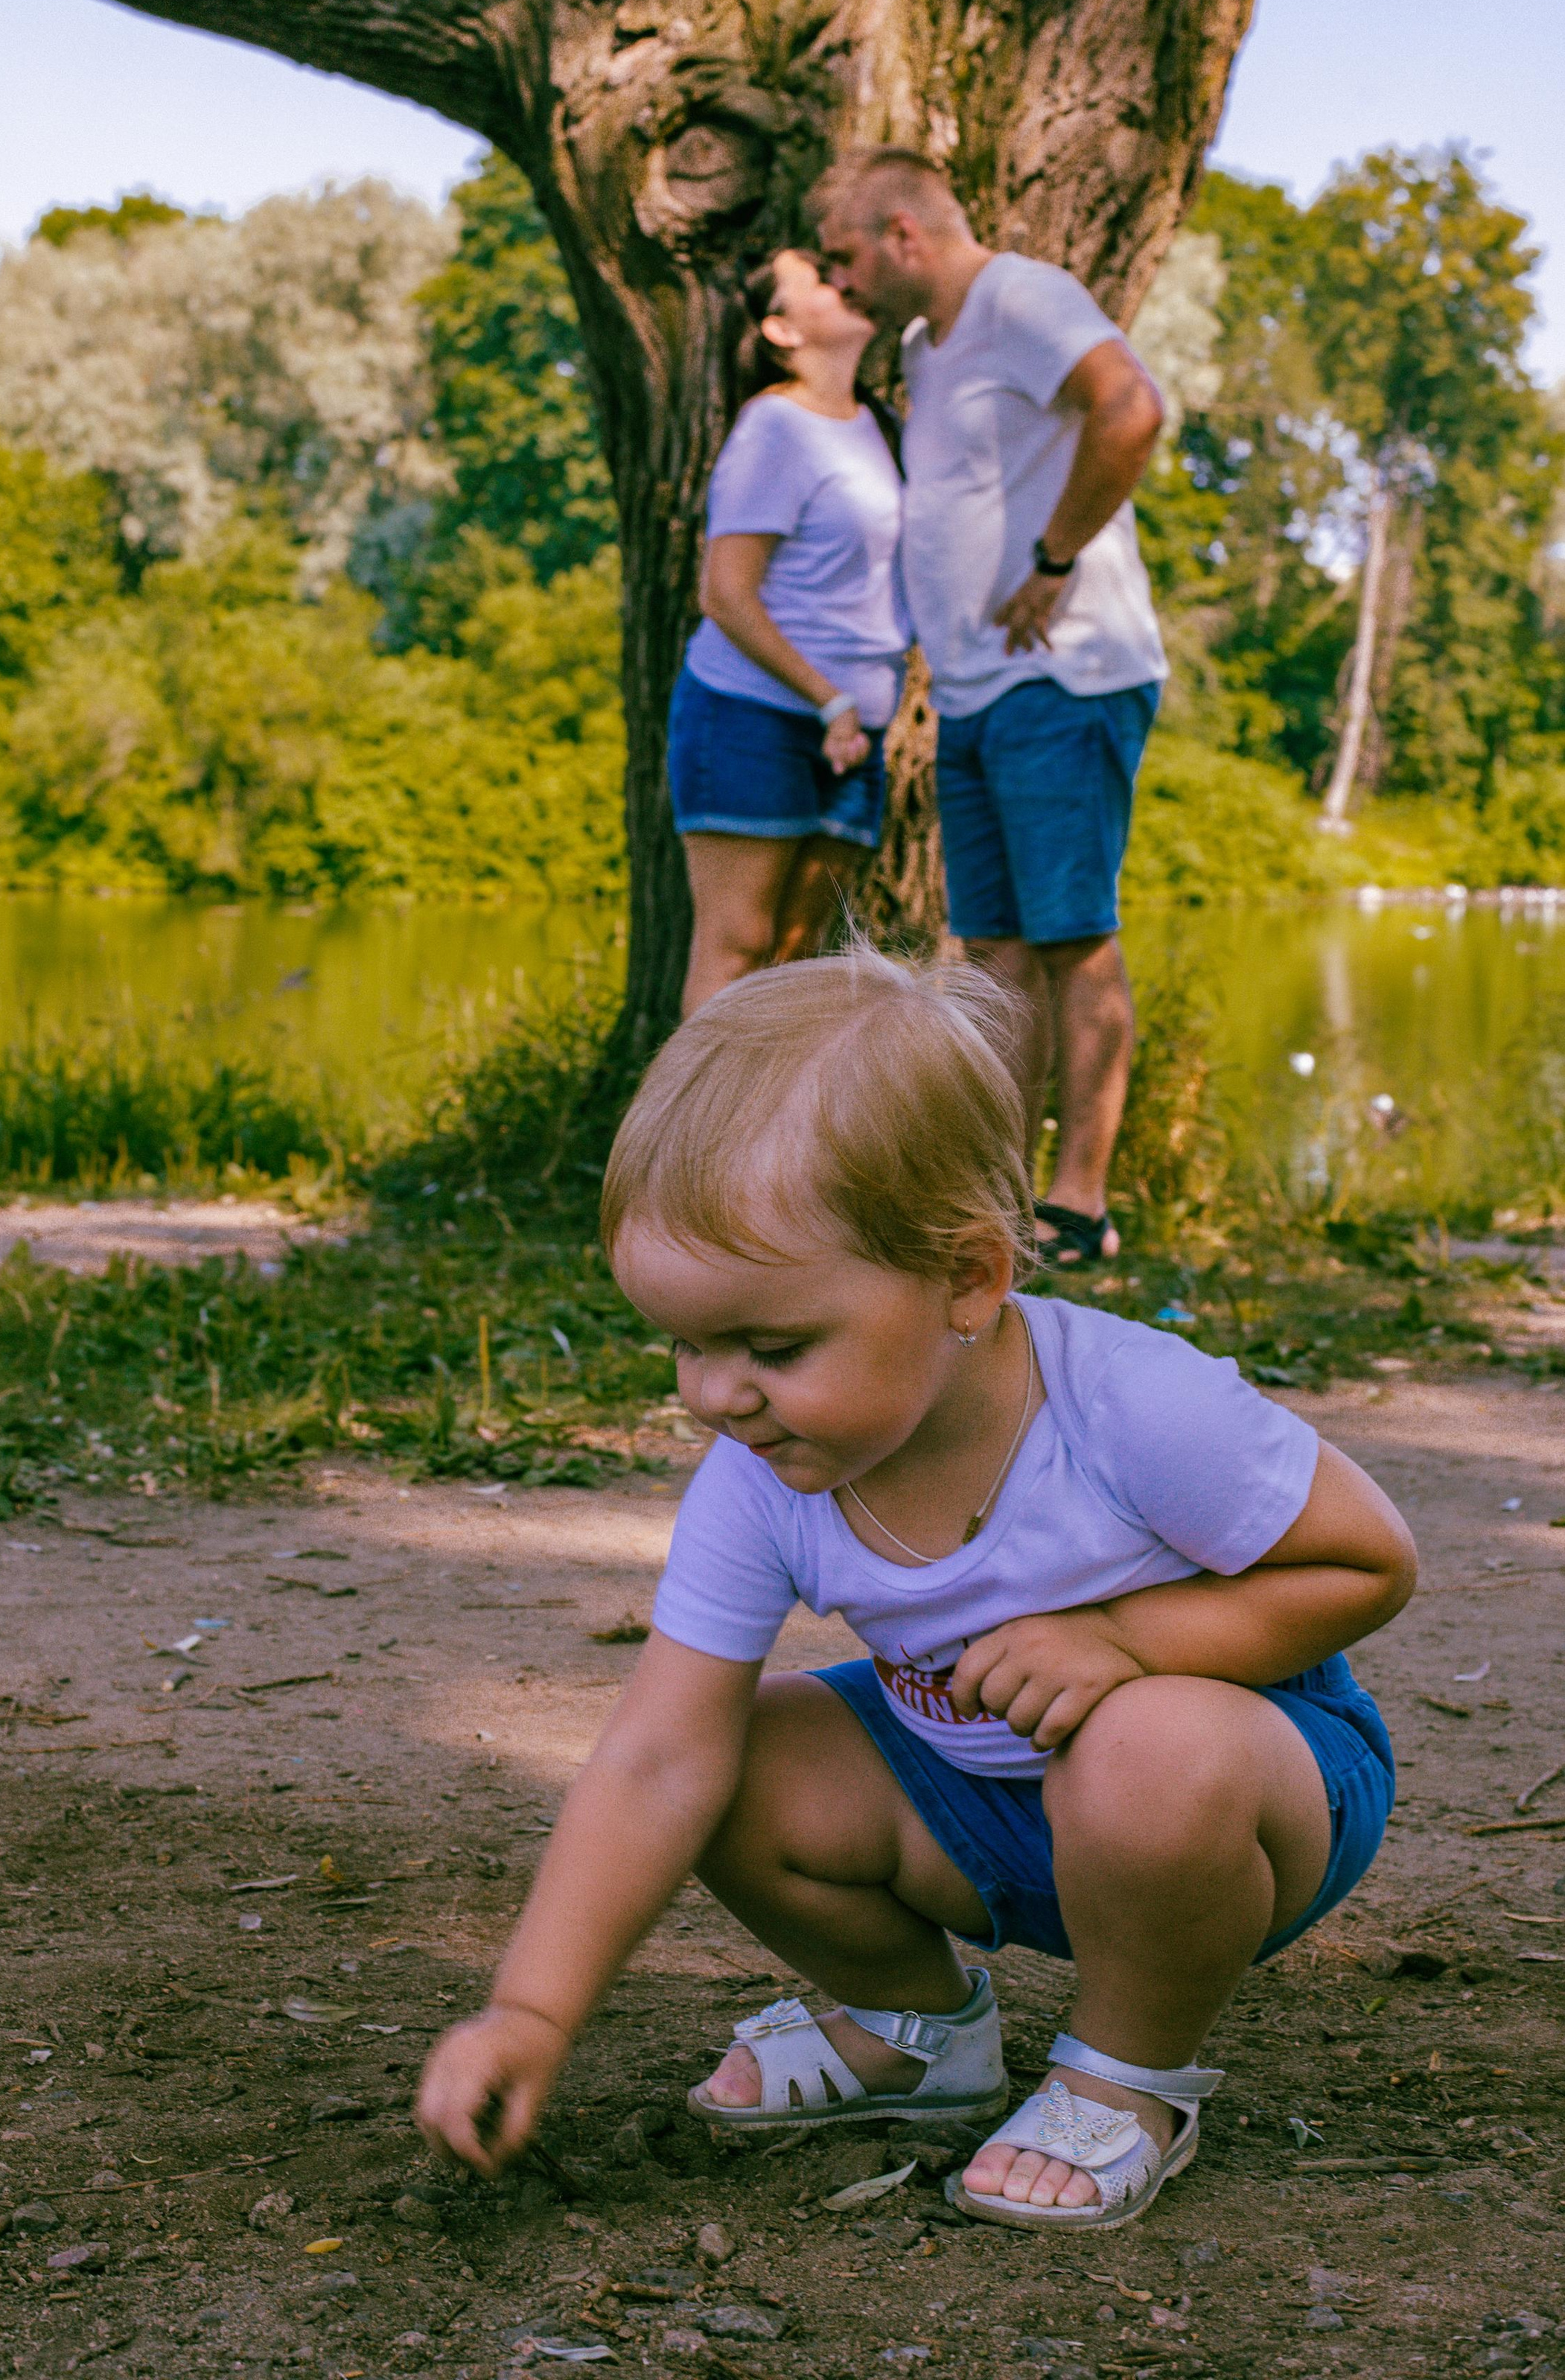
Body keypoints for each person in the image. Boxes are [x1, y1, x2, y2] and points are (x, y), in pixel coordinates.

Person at [415, 951, 1412, 2232]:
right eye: (686, 1344)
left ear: (968, 1279)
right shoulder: (762, 1472)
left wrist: (1126, 1639)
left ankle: (1128, 2074)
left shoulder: (1132, 1410)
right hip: (975, 1796)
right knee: (729, 1761)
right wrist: (530, 2012)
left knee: (1152, 1745)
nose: (718, 1395)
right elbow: (656, 1760)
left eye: (774, 1347)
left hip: (1246, 1795)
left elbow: (1372, 1559)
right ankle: (920, 2028)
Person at [813, 150, 1168, 1269]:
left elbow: (1131, 409)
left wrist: (1056, 558)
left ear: (904, 231)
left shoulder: (1024, 296)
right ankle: (999, 1202)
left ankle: (1078, 1205)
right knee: (996, 955)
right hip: (973, 689)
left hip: (1063, 675)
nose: (838, 283)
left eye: (844, 254)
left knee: (1072, 940)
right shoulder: (925, 349)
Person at [669, 248, 910, 1015]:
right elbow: (725, 594)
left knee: (799, 964)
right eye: (815, 277)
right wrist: (827, 698)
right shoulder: (774, 426)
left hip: (853, 735)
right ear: (780, 327)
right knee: (737, 947)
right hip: (751, 716)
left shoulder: (881, 426)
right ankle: (690, 1140)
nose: (841, 279)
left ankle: (769, 1139)